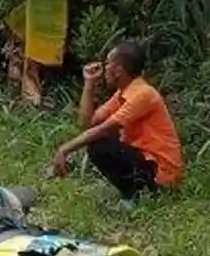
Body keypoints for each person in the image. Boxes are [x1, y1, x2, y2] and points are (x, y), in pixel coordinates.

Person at [47, 41, 183, 207]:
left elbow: (103, 130)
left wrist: (64, 149)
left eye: (107, 63)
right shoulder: (122, 94)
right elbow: (87, 123)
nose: (104, 69)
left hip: (158, 170)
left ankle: (139, 197)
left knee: (100, 145)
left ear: (118, 69)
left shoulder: (143, 94)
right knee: (98, 143)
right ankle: (134, 195)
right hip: (144, 162)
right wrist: (89, 84)